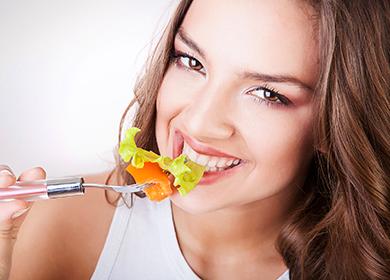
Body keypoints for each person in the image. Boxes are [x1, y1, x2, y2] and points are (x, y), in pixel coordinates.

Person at [1, 0, 389, 279]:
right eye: (191, 61)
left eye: (268, 93)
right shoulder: (60, 228)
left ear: (334, 121)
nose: (199, 123)